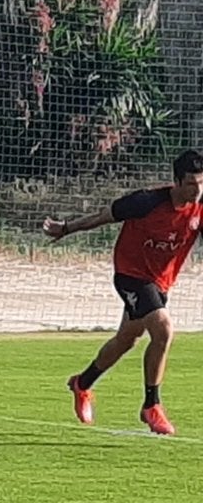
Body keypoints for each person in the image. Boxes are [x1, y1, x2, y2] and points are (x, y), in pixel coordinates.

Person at [44, 149, 203, 435]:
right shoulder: (146, 202)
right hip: (130, 275)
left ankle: (82, 383)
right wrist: (66, 228)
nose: (198, 189)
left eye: (202, 183)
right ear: (176, 182)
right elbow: (104, 216)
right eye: (192, 183)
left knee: (126, 340)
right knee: (164, 329)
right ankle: (151, 405)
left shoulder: (200, 209)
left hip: (160, 282)